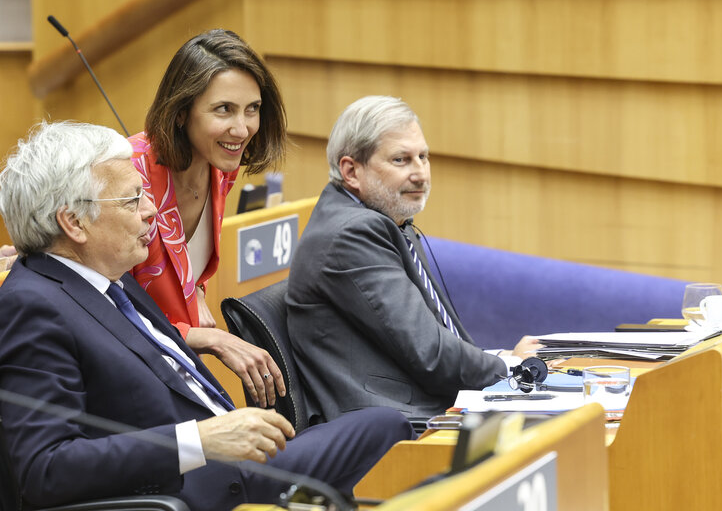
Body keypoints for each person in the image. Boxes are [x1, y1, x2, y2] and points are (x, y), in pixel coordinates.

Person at [0, 121, 413, 510]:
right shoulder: (32, 305)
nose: (150, 211)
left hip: (231, 457)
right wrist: (197, 441)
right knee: (387, 430)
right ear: (72, 222)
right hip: (194, 487)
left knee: (389, 438)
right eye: (131, 200)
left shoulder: (107, 275)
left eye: (145, 194)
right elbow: (44, 468)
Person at [286, 96, 541, 421]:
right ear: (351, 171)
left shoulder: (388, 221)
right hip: (391, 424)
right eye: (401, 160)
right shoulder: (352, 233)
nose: (420, 173)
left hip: (420, 403)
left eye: (423, 157)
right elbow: (430, 353)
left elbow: (429, 341)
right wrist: (510, 368)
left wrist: (500, 359)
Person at [129, 29, 288, 408]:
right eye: (224, 109)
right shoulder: (128, 171)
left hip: (178, 368)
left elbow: (181, 259)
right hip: (133, 376)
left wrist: (195, 289)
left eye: (252, 108)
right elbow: (104, 305)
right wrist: (209, 338)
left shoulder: (221, 167)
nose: (243, 128)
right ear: (181, 112)